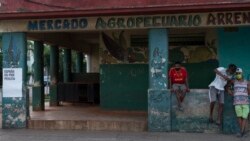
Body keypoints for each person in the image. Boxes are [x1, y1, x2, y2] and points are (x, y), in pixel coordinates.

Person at [227, 68, 250, 137]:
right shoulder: (234, 81)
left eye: (239, 73)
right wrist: (230, 91)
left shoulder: (247, 82)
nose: (238, 75)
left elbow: (249, 92)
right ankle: (242, 131)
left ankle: (241, 132)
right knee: (239, 117)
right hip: (237, 102)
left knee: (245, 117)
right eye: (236, 73)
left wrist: (249, 88)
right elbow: (228, 86)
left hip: (245, 102)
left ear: (242, 73)